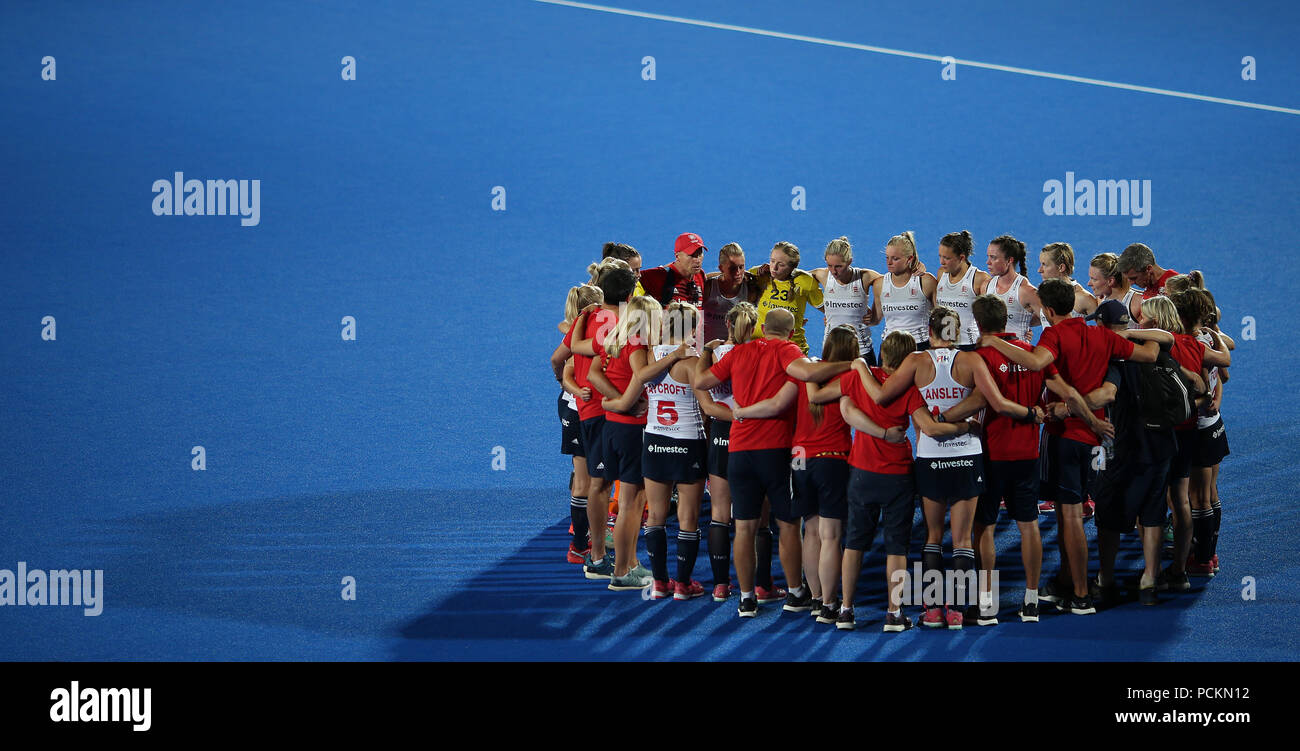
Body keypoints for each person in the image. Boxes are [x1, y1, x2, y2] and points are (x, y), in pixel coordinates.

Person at [978, 278, 1159, 614]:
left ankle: (1080, 594)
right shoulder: (1102, 334)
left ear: (1047, 310)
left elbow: (1035, 363)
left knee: (1070, 516)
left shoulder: (1054, 335)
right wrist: (1131, 333)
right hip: (1097, 443)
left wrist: (991, 341)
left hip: (1065, 437)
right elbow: (1150, 354)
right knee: (1073, 516)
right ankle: (1068, 581)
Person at [694, 308, 855, 618]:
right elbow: (805, 377)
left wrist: (706, 351)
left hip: (739, 451)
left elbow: (701, 380)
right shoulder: (788, 351)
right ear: (791, 333)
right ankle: (796, 591)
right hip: (776, 451)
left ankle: (745, 598)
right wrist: (852, 363)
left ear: (763, 327)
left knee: (743, 527)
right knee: (789, 525)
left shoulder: (739, 352)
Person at [809, 330, 959, 631]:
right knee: (897, 549)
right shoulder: (910, 389)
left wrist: (817, 366)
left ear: (883, 351)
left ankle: (846, 610)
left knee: (854, 545)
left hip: (861, 473)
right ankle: (894, 612)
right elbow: (927, 427)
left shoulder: (857, 379)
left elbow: (818, 395)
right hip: (898, 476)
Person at [850, 307, 988, 629]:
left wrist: (859, 367)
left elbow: (883, 396)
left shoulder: (915, 361)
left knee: (933, 536)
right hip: (967, 455)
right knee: (964, 539)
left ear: (930, 329)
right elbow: (986, 398)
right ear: (957, 331)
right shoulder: (971, 361)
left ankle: (933, 610)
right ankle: (957, 610)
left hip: (931, 458)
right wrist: (960, 422)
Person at [1079, 299, 1205, 606]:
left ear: (1101, 325)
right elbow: (1179, 360)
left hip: (1126, 449)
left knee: (1109, 516)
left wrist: (1074, 403)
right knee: (1153, 514)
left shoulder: (1116, 358)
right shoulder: (1154, 346)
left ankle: (1105, 580)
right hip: (1163, 446)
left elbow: (1107, 394)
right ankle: (1149, 581)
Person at [743, 324, 858, 623]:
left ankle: (813, 597)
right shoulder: (852, 375)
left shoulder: (804, 372)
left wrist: (741, 412)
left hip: (800, 459)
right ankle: (831, 604)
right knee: (831, 536)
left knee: (811, 531)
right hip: (833, 458)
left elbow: (778, 403)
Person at [603, 302, 708, 599]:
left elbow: (631, 396)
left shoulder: (648, 358)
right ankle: (683, 584)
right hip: (688, 443)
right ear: (692, 328)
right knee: (688, 518)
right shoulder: (693, 363)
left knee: (656, 517)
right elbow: (708, 408)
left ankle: (660, 583)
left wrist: (612, 404)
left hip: (655, 443)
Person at [565, 261, 637, 580]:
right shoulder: (625, 324)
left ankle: (602, 556)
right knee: (616, 484)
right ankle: (612, 561)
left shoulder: (590, 318)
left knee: (601, 482)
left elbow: (563, 358)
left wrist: (569, 389)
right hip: (612, 412)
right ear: (631, 292)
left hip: (593, 410)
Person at [587, 295, 663, 591]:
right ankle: (621, 572)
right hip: (633, 430)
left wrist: (613, 403)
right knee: (631, 503)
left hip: (614, 430)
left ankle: (630, 562)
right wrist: (625, 404)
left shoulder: (614, 340)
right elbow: (641, 379)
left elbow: (595, 373)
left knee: (636, 500)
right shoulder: (638, 347)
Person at [1159, 291, 1232, 591]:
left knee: (1196, 498)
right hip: (1215, 426)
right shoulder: (1210, 338)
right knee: (1211, 493)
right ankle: (1209, 555)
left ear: (1182, 316)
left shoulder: (1189, 345)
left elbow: (1201, 386)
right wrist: (1214, 400)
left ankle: (1201, 560)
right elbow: (1223, 376)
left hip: (1199, 428)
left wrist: (1201, 399)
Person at [550, 284, 604, 564]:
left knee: (583, 478)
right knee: (594, 481)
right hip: (588, 410)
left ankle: (579, 543)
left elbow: (557, 362)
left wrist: (563, 385)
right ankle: (586, 545)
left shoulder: (574, 332)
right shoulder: (594, 332)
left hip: (572, 409)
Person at [810, 237, 882, 364]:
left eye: (838, 266)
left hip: (861, 351)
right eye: (829, 265)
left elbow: (893, 282)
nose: (833, 271)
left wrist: (876, 313)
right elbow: (794, 278)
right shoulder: (823, 275)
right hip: (831, 349)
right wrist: (823, 308)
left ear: (849, 261)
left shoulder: (864, 277)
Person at [751, 241, 824, 354]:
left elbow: (826, 308)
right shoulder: (758, 274)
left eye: (781, 264)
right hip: (760, 347)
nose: (774, 267)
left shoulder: (806, 282)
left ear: (792, 267)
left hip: (792, 349)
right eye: (772, 261)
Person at [872, 231, 937, 350]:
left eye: (895, 259)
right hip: (889, 349)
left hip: (920, 347)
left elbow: (942, 317)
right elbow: (875, 319)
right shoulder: (879, 284)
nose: (889, 262)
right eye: (887, 257)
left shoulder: (926, 282)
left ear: (909, 259)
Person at [933, 230, 991, 348]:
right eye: (940, 256)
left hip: (969, 345)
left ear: (961, 258)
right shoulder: (941, 274)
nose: (941, 262)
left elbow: (992, 316)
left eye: (947, 258)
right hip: (944, 345)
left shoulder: (979, 278)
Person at [701, 243, 761, 345]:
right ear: (721, 268)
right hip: (706, 350)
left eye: (741, 267)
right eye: (732, 268)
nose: (738, 272)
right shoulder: (708, 287)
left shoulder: (750, 289)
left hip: (734, 353)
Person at [985, 235, 1042, 342]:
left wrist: (1024, 322)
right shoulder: (986, 286)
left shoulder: (1026, 291)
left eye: (993, 257)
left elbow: (1049, 319)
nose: (988, 262)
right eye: (988, 256)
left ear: (1009, 260)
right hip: (993, 354)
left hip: (1018, 355)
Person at [639, 232, 707, 307]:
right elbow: (629, 278)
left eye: (700, 254)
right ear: (677, 256)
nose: (697, 260)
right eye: (692, 255)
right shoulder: (660, 275)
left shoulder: (700, 275)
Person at [1037, 242, 1099, 325]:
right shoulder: (1045, 293)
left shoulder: (1082, 298)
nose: (1039, 270)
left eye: (1044, 265)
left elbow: (1105, 332)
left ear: (1061, 267)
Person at [1087, 252, 1142, 328]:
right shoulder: (1101, 299)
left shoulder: (1137, 303)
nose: (1089, 284)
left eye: (1094, 279)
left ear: (1110, 281)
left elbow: (1153, 339)